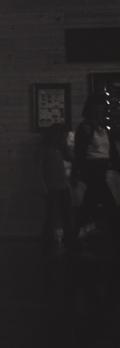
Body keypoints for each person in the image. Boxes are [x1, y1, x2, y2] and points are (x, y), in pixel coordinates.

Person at [70, 92, 120, 251]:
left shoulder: (102, 127)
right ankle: (116, 236)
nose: (100, 111)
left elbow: (111, 151)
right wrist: (75, 172)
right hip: (91, 169)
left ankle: (72, 234)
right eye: (97, 108)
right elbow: (79, 152)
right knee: (109, 204)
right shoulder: (85, 127)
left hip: (101, 168)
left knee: (89, 203)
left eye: (102, 108)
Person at [34, 123, 73, 245]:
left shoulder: (60, 148)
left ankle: (69, 239)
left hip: (63, 185)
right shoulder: (42, 148)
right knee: (53, 215)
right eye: (62, 136)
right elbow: (37, 169)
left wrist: (65, 145)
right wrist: (42, 186)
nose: (64, 138)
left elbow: (71, 158)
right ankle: (47, 240)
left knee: (68, 214)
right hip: (51, 186)